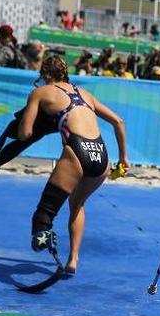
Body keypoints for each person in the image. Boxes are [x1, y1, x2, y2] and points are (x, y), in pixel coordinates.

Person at [20, 55, 129, 275]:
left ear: (45, 75)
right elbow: (118, 121)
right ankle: (73, 260)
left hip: (77, 153)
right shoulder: (85, 93)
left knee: (43, 215)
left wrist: (30, 116)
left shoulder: (40, 93)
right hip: (102, 157)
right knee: (76, 204)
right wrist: (123, 158)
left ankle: (45, 236)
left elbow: (25, 133)